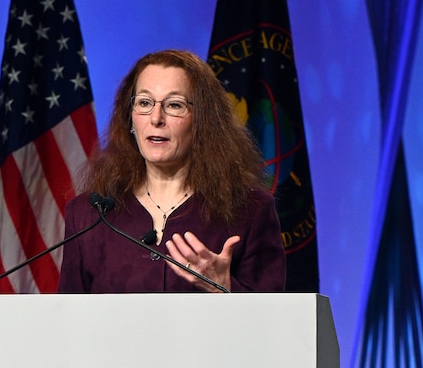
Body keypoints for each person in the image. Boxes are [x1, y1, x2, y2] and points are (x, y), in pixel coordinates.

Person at [58, 49, 286, 293]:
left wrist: (224, 288)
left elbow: (275, 324)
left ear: (202, 120)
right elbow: (69, 322)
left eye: (174, 105)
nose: (156, 118)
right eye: (144, 103)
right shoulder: (90, 215)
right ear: (130, 117)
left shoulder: (251, 210)